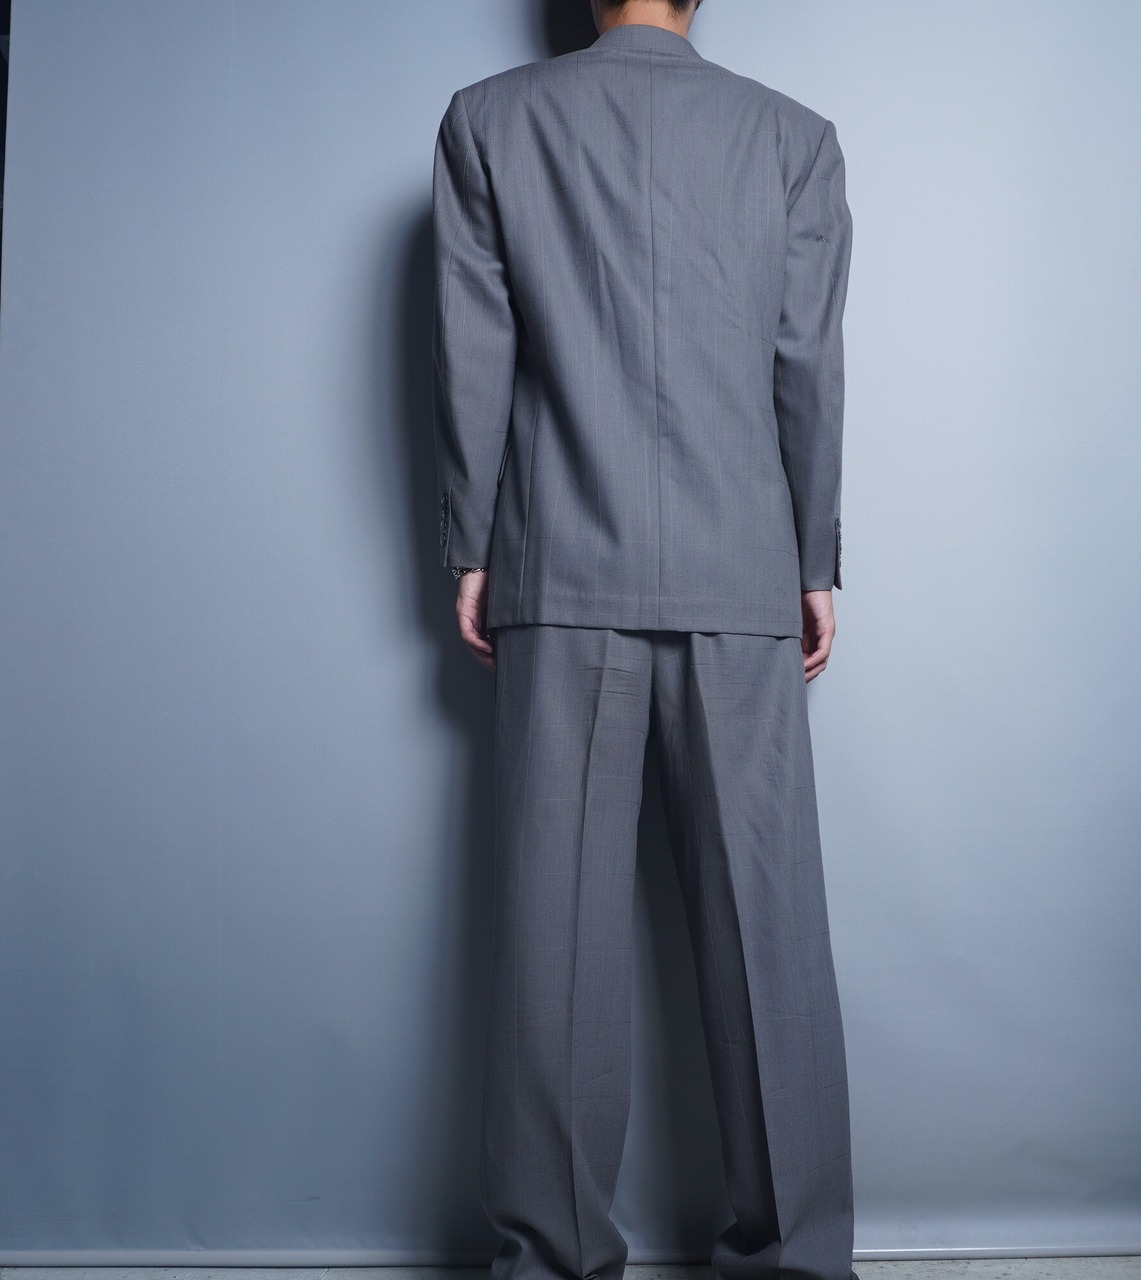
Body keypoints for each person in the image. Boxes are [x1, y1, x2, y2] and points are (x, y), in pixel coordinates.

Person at [431, 2, 858, 1279]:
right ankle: (793, 1258)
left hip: (561, 561)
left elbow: (474, 350)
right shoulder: (790, 137)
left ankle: (550, 1259)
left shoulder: (491, 121)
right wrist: (812, 560)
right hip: (741, 567)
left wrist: (471, 545)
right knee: (765, 935)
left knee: (553, 943)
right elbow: (805, 363)